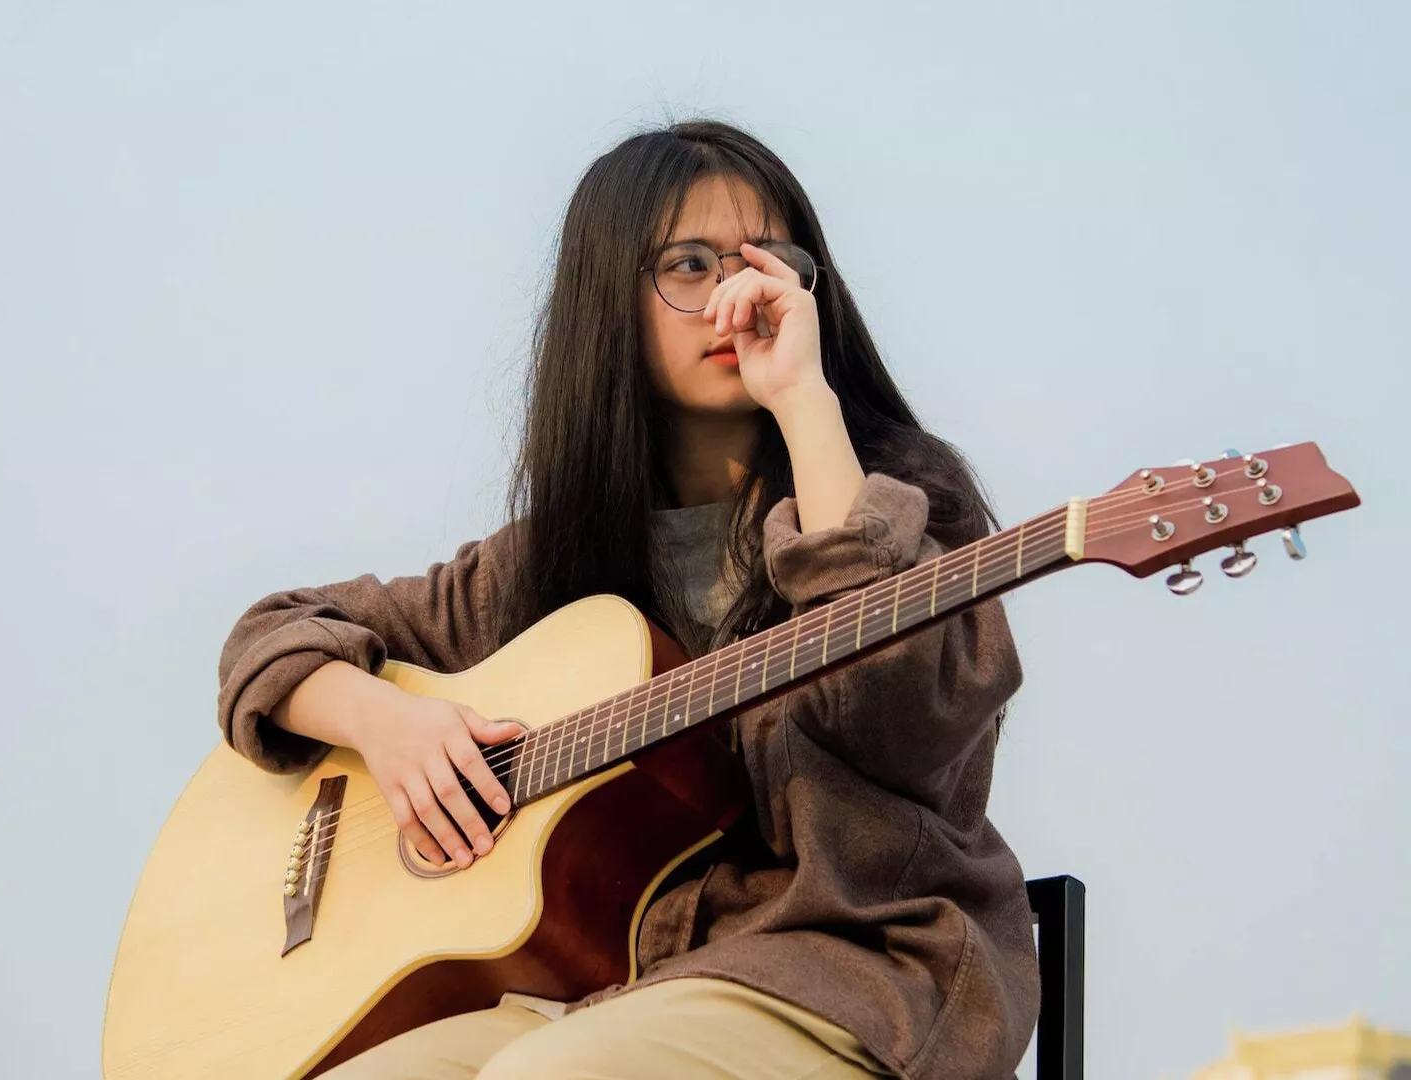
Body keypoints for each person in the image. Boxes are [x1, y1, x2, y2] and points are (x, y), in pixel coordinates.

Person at [215, 119, 1036, 1080]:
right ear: (609, 301)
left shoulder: (902, 500)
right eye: (689, 265)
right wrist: (389, 726)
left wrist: (804, 401)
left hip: (857, 968)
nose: (737, 295)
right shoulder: (545, 566)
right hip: (611, 989)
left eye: (769, 261)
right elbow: (273, 636)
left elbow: (901, 718)